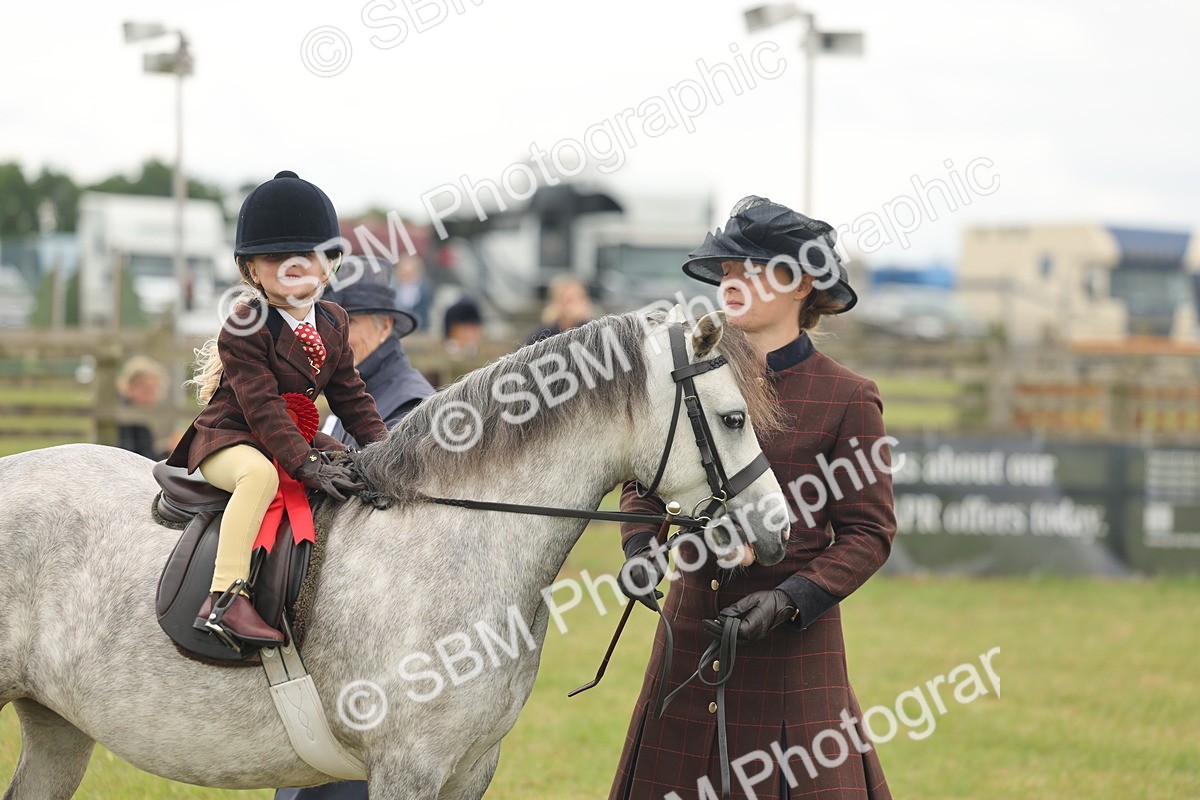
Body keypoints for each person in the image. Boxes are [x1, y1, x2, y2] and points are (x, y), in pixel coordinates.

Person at [611, 196, 896, 799]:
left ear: (801, 286)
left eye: (752, 268)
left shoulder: (848, 397)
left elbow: (869, 534)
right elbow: (644, 480)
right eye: (728, 269)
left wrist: (789, 600)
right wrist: (641, 545)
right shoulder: (690, 371)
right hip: (689, 640)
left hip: (792, 655)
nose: (732, 280)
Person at [166, 170, 387, 649]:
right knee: (260, 479)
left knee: (354, 468)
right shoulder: (244, 325)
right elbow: (263, 407)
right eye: (276, 258)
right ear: (250, 271)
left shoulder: (334, 321)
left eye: (308, 256)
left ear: (330, 263)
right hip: (231, 438)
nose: (295, 269)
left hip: (289, 437)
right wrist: (305, 463)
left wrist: (386, 452)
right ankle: (224, 598)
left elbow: (351, 395)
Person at [320, 257, 434, 444]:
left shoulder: (409, 410)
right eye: (327, 323)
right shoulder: (346, 392)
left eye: (349, 322)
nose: (333, 337)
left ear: (385, 327)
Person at [115, 355, 169, 460]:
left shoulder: (141, 414)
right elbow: (133, 458)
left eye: (155, 389)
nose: (152, 394)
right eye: (146, 388)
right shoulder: (126, 416)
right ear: (130, 386)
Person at [525, 274, 593, 344]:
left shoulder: (592, 333)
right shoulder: (542, 335)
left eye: (574, 298)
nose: (569, 306)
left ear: (585, 301)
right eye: (563, 297)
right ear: (554, 301)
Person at [392, 253, 432, 330]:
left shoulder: (426, 292)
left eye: (409, 273)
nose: (406, 277)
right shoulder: (392, 291)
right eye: (403, 273)